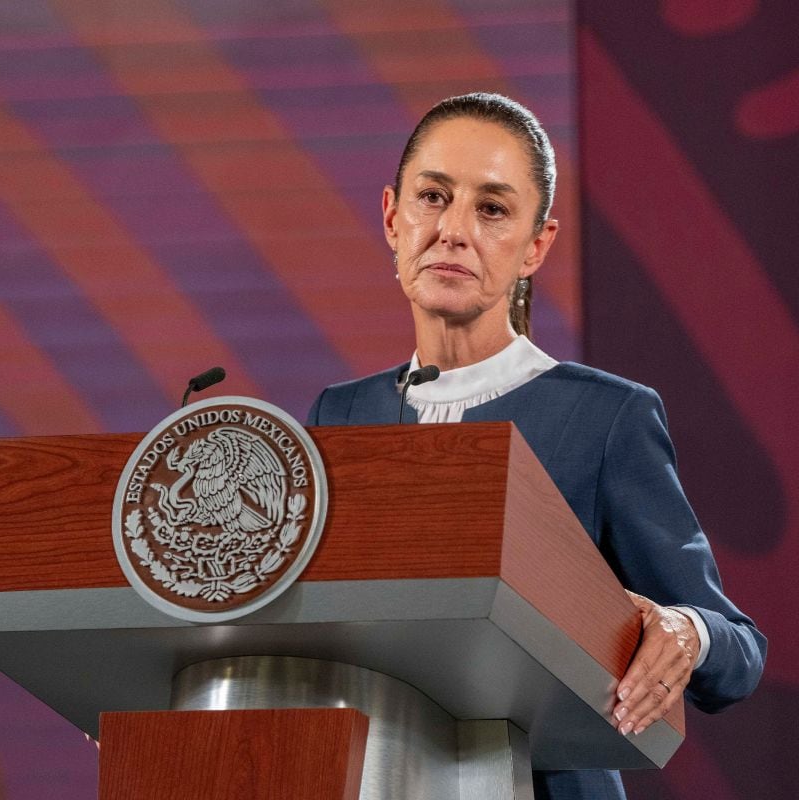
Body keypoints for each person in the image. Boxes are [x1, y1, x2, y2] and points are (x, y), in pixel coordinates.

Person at [306, 93, 765, 800]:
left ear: (537, 246)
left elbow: (738, 652)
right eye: (434, 196)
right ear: (394, 219)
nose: (453, 230)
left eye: (492, 209)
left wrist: (688, 631)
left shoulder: (607, 417)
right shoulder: (339, 415)